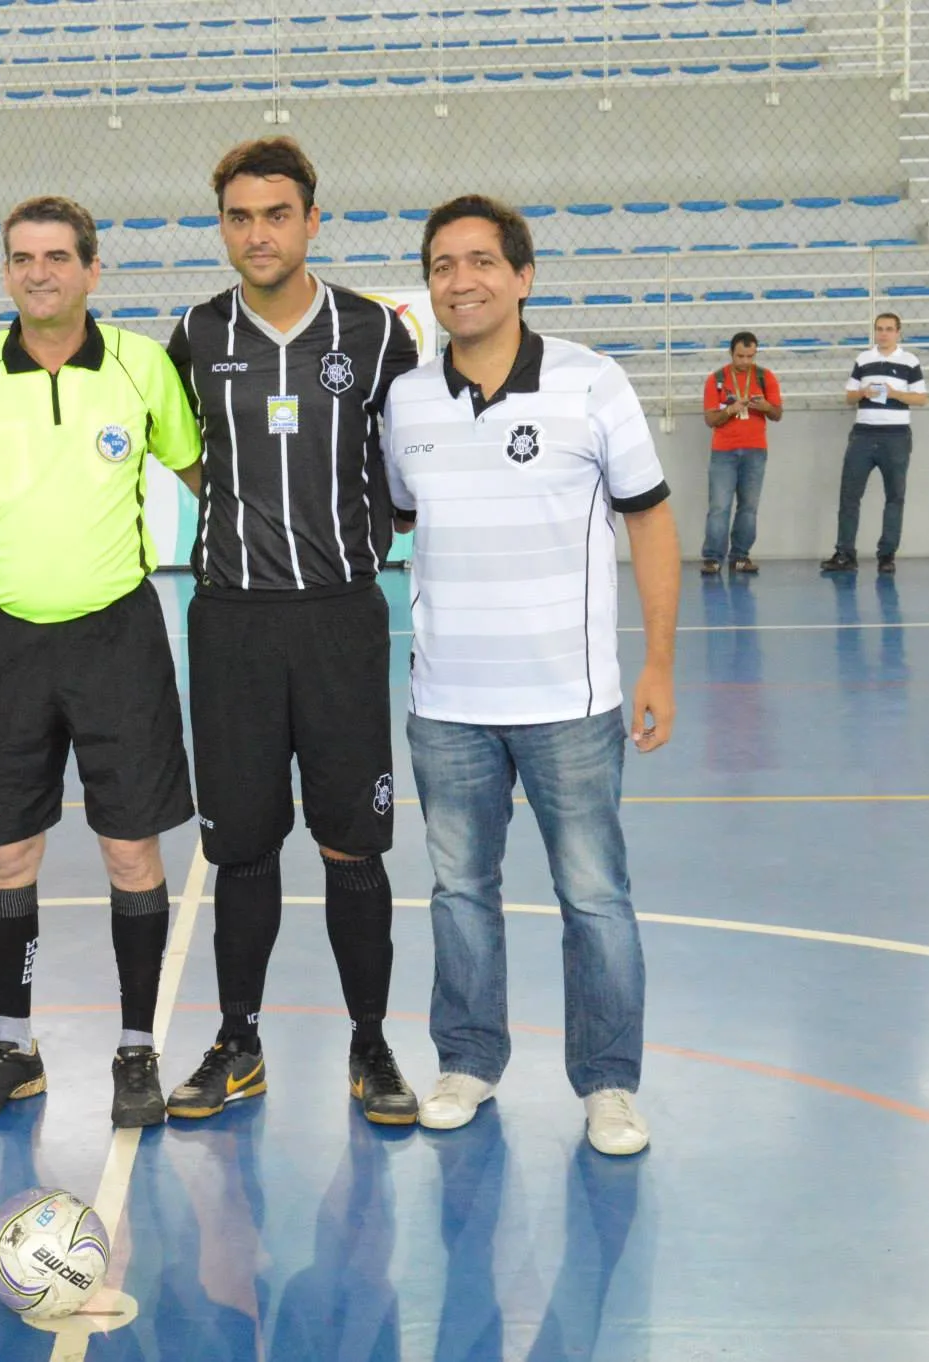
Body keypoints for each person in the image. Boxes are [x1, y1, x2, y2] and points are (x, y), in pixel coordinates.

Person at [382, 194, 680, 1157]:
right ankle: (467, 1061)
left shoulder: (594, 385)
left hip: (571, 702)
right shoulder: (408, 400)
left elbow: (651, 520)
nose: (459, 281)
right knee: (459, 894)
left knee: (594, 897)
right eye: (441, 266)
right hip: (448, 705)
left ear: (521, 276)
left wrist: (662, 665)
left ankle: (609, 1086)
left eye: (479, 262)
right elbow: (401, 514)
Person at [0, 195, 202, 1128]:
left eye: (55, 256)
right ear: (6, 272)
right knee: (9, 853)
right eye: (21, 258)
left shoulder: (140, 367)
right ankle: (14, 1045)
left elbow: (210, 479)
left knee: (132, 850)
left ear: (92, 267)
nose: (38, 272)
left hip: (117, 636)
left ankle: (136, 1051)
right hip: (2, 643)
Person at [162, 137, 421, 1125]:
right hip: (230, 622)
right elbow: (187, 457)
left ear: (312, 220)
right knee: (239, 848)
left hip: (339, 620)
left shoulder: (378, 332)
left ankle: (370, 1042)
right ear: (221, 225)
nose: (257, 232)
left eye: (275, 214)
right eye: (238, 216)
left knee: (353, 846)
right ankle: (239, 1041)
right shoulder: (191, 334)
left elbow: (407, 467)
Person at [822, 312, 929, 576]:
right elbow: (849, 396)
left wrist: (895, 394)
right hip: (863, 434)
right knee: (849, 495)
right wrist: (862, 393)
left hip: (895, 436)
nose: (883, 334)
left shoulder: (909, 361)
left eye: (889, 329)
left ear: (898, 332)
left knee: (895, 496)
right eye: (879, 329)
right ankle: (845, 553)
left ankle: (887, 555)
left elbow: (921, 399)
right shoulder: (863, 359)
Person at [699, 330, 781, 576]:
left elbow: (777, 414)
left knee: (748, 507)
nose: (745, 361)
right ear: (731, 353)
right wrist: (731, 409)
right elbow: (710, 419)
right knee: (719, 507)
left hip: (755, 451)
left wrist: (765, 406)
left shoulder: (765, 377)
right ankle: (713, 558)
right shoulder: (717, 379)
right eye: (740, 356)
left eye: (750, 356)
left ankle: (741, 556)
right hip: (724, 451)